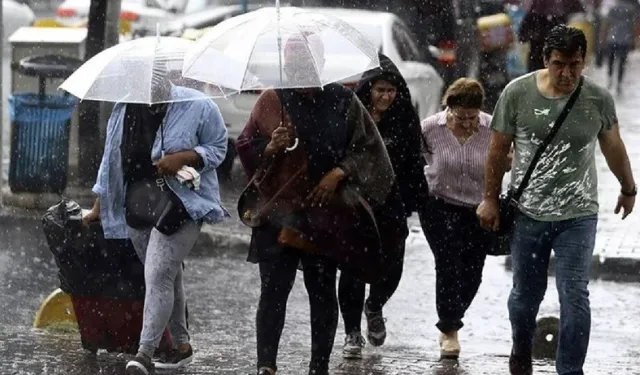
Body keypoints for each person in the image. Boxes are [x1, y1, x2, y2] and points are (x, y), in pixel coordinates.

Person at [476, 25, 636, 375]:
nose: (567, 73)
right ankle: (521, 348)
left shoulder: (597, 98)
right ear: (545, 60)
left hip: (578, 216)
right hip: (528, 214)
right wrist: (489, 199)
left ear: (584, 61)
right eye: (559, 64)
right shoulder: (517, 94)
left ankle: (570, 370)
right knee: (523, 299)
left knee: (575, 295)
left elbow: (613, 145)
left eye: (575, 65)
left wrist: (628, 187)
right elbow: (497, 150)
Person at [235, 34, 396, 375]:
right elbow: (245, 144)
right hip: (278, 214)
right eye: (294, 63)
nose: (301, 69)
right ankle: (266, 365)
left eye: (307, 62)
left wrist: (338, 172)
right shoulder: (270, 100)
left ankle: (318, 367)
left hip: (326, 216)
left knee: (322, 291)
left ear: (321, 63)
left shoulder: (344, 100)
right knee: (273, 291)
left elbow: (369, 150)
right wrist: (270, 147)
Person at [84, 77, 229, 375]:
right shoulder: (124, 107)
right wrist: (100, 204)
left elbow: (218, 147)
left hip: (183, 205)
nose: (150, 85)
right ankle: (182, 347)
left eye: (156, 77)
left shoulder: (197, 104)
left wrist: (186, 157)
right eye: (143, 77)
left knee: (158, 274)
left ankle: (144, 353)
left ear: (167, 76)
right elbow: (110, 158)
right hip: (137, 206)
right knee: (168, 277)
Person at [338, 53, 426, 359]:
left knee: (392, 267)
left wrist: (414, 201)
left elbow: (414, 163)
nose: (386, 96)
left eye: (391, 90)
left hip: (392, 205)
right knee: (352, 271)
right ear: (368, 91)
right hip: (354, 206)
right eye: (380, 90)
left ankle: (374, 306)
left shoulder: (403, 119)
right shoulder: (351, 117)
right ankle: (352, 333)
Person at [419, 78, 506, 360]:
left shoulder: (493, 127)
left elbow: (509, 158)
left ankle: (452, 316)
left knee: (472, 273)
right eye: (461, 117)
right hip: (439, 206)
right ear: (449, 108)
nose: (468, 123)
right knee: (448, 263)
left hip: (478, 208)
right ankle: (449, 330)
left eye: (472, 117)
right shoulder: (431, 128)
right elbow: (415, 162)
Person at [601, 0, 639, 94]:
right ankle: (619, 82)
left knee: (611, 60)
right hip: (625, 39)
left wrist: (603, 37)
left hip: (612, 38)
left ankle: (610, 78)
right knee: (622, 62)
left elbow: (607, 23)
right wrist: (634, 39)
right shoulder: (631, 9)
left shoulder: (613, 8)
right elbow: (633, 25)